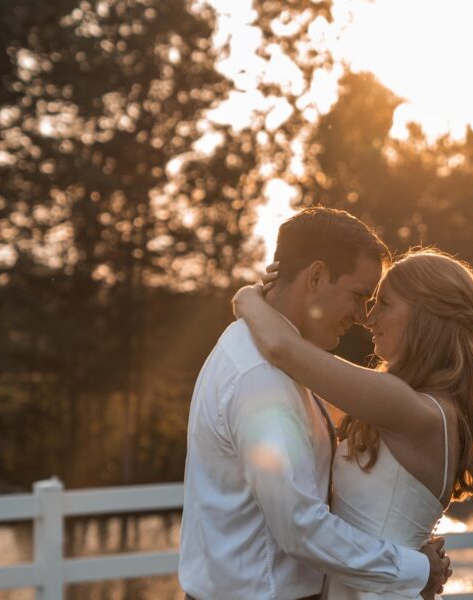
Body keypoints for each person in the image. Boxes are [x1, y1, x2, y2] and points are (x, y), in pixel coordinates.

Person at [179, 207, 449, 600]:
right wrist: (414, 569)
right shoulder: (260, 378)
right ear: (317, 276)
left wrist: (249, 298)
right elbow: (299, 526)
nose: (361, 316)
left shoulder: (282, 360)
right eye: (359, 296)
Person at [233, 247, 473, 600]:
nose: (369, 317)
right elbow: (303, 385)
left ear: (425, 316)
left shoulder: (410, 408)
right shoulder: (416, 407)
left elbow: (282, 349)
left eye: (384, 303)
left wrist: (246, 297)